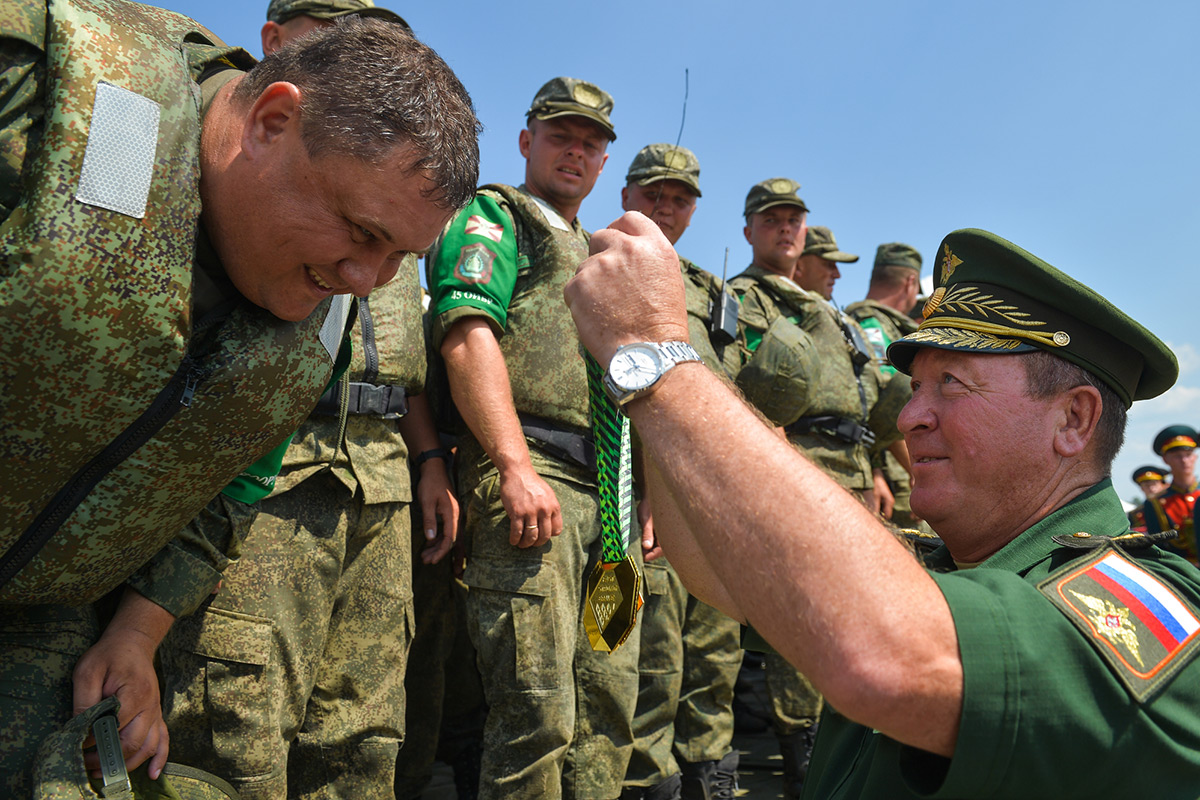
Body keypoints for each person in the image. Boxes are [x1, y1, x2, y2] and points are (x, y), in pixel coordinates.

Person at [0, 2, 479, 793]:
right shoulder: (39, 85)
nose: (366, 281)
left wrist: (135, 633)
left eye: (399, 255)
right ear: (271, 120)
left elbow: (226, 473)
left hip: (43, 614)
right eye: (360, 231)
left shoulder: (318, 307)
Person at [565, 218, 1195, 798]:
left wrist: (655, 357)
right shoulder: (944, 570)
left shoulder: (1147, 608)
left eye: (953, 383)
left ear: (1074, 419)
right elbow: (708, 559)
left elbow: (891, 659)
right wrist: (662, 354)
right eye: (917, 387)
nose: (912, 416)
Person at [155, 4, 460, 798]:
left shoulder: (386, 211)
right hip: (275, 475)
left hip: (373, 474)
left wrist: (427, 459)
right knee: (233, 721)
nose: (368, 273)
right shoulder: (176, 157)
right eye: (331, 29)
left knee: (361, 728)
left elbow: (403, 371)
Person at [427, 77, 639, 800]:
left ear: (606, 162)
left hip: (606, 498)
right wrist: (512, 464)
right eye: (561, 137)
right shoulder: (497, 214)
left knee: (608, 713)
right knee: (536, 715)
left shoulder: (605, 255)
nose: (576, 153)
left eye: (592, 144)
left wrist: (639, 495)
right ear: (527, 142)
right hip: (531, 479)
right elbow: (465, 335)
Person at [730, 194, 896, 798]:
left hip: (851, 468)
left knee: (854, 614)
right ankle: (802, 756)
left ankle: (841, 744)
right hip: (797, 461)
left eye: (793, 221)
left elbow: (866, 393)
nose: (785, 230)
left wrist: (875, 467)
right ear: (749, 228)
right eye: (772, 220)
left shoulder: (832, 315)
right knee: (805, 614)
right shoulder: (743, 298)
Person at [617, 144, 742, 800]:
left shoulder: (708, 286)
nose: (668, 207)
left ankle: (705, 777)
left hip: (711, 489)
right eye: (656, 193)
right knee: (651, 662)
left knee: (715, 650)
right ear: (627, 195)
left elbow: (732, 379)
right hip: (640, 488)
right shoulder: (602, 260)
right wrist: (647, 486)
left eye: (681, 198)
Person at [845, 242, 924, 527]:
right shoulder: (872, 324)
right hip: (897, 476)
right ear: (910, 282)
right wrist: (916, 470)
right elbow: (889, 400)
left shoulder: (874, 322)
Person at [1142, 425, 1199, 565]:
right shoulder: (1155, 504)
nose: (1184, 461)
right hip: (1184, 573)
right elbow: (1161, 549)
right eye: (1177, 456)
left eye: (1188, 454)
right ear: (1165, 460)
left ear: (1195, 457)